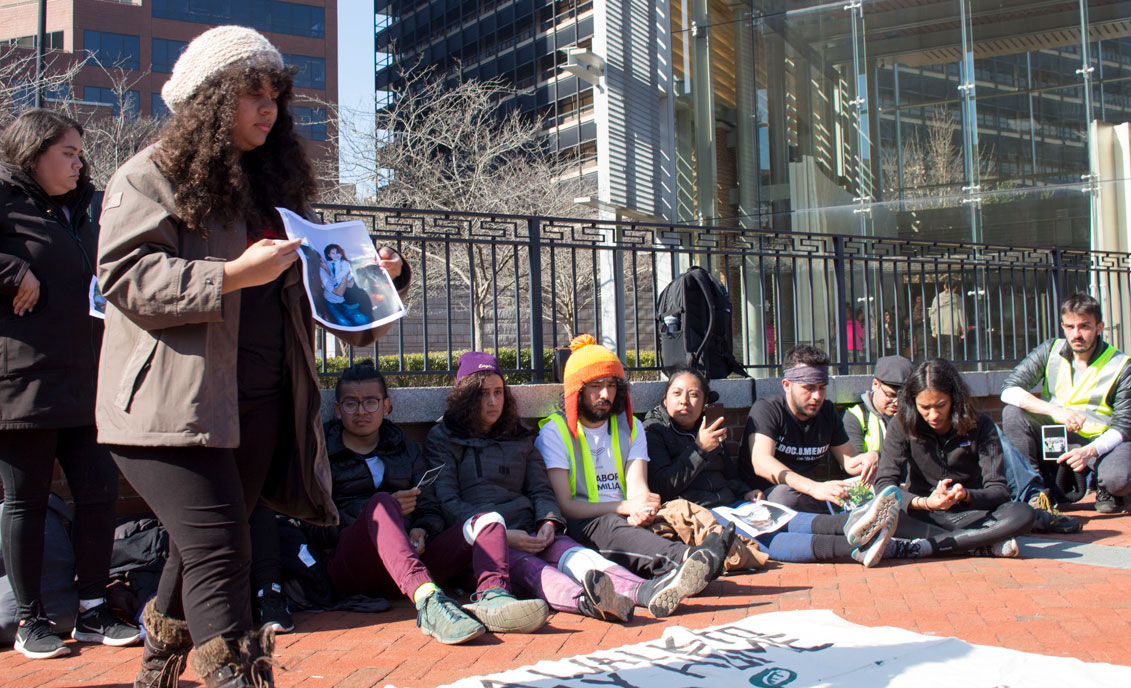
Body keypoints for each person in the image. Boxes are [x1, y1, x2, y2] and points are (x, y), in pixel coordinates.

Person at [95, 26, 409, 688]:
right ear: (209, 100)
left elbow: (326, 309)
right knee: (222, 551)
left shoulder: (275, 189)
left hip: (259, 404)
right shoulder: (148, 174)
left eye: (275, 95)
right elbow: (124, 277)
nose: (267, 109)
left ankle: (156, 674)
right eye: (250, 94)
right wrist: (231, 275)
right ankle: (238, 677)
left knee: (203, 547)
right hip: (168, 412)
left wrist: (375, 279)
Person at [0, 109, 140, 659]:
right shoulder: (6, 200)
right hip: (23, 381)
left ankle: (91, 610)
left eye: (81, 153)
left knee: (99, 493)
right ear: (33, 154)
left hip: (90, 377)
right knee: (26, 502)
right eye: (67, 153)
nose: (79, 162)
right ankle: (31, 621)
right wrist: (13, 271)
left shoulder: (89, 206)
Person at [317, 362, 547, 645]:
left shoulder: (407, 450)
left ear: (387, 406)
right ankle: (429, 603)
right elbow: (316, 525)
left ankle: (493, 596)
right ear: (338, 410)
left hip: (416, 561)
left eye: (371, 402)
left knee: (487, 520)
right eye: (351, 404)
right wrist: (380, 513)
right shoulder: (322, 457)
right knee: (381, 504)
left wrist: (421, 530)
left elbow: (430, 506)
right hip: (355, 567)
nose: (362, 411)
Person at [427, 352, 636, 623]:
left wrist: (547, 522)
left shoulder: (519, 434)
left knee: (574, 554)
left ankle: (639, 590)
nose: (493, 402)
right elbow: (446, 501)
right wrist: (501, 534)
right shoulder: (443, 438)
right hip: (483, 541)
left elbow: (540, 488)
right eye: (482, 394)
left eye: (499, 392)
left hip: (529, 530)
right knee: (532, 569)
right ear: (465, 398)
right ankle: (586, 602)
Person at [644, 368, 922, 569]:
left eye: (694, 395)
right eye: (677, 394)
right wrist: (699, 449)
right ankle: (865, 547)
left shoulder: (708, 429)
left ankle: (860, 522)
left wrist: (748, 490)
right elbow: (663, 485)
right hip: (701, 512)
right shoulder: (655, 431)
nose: (685, 401)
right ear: (665, 400)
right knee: (766, 537)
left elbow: (729, 476)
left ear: (704, 401)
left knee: (784, 518)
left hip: (733, 504)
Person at [535, 335, 728, 618]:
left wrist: (643, 508)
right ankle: (686, 560)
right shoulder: (555, 432)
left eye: (611, 386)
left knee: (639, 526)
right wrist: (625, 507)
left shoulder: (631, 426)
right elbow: (565, 505)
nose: (605, 395)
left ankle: (676, 575)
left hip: (625, 518)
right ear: (576, 389)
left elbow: (638, 487)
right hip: (582, 522)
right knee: (612, 527)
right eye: (596, 386)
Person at [875, 359, 1036, 557]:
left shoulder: (981, 425)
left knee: (1023, 513)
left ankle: (929, 546)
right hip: (921, 514)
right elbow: (884, 485)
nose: (933, 415)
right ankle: (977, 542)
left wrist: (965, 495)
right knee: (881, 516)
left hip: (969, 514)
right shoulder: (900, 425)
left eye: (941, 405)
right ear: (913, 402)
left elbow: (999, 490)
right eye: (924, 407)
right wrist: (925, 502)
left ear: (954, 399)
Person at [1001, 293, 1131, 517]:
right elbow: (1009, 391)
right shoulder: (1049, 350)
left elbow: (1123, 427)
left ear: (1099, 327)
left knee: (1118, 479)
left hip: (1101, 442)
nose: (1076, 334)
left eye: (1084, 326)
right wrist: (1055, 411)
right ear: (1063, 326)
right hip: (1056, 434)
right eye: (1070, 327)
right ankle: (1034, 492)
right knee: (1012, 413)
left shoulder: (1122, 365)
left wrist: (1089, 450)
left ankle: (1107, 489)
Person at [741, 345, 879, 513]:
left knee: (876, 489)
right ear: (787, 385)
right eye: (808, 388)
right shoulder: (768, 409)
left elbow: (850, 461)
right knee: (785, 496)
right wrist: (813, 487)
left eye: (822, 387)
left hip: (809, 496)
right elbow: (762, 463)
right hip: (765, 498)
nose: (817, 396)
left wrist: (869, 459)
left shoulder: (827, 412)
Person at [842, 355, 914, 459]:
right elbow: (855, 463)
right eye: (890, 395)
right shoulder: (856, 416)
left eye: (903, 397)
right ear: (875, 384)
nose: (897, 402)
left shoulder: (912, 415)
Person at [320, 243, 370, 326]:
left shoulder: (344, 263)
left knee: (362, 319)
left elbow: (344, 274)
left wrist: (336, 278)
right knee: (344, 322)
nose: (336, 255)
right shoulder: (328, 265)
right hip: (332, 301)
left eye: (338, 253)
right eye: (333, 253)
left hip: (343, 300)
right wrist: (328, 272)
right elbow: (331, 282)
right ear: (328, 255)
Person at [928, 274, 966, 359]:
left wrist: (933, 329)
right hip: (953, 331)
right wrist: (964, 330)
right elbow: (961, 315)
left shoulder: (937, 298)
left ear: (945, 286)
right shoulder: (958, 299)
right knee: (952, 355)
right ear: (955, 288)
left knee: (941, 354)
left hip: (939, 331)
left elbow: (933, 315)